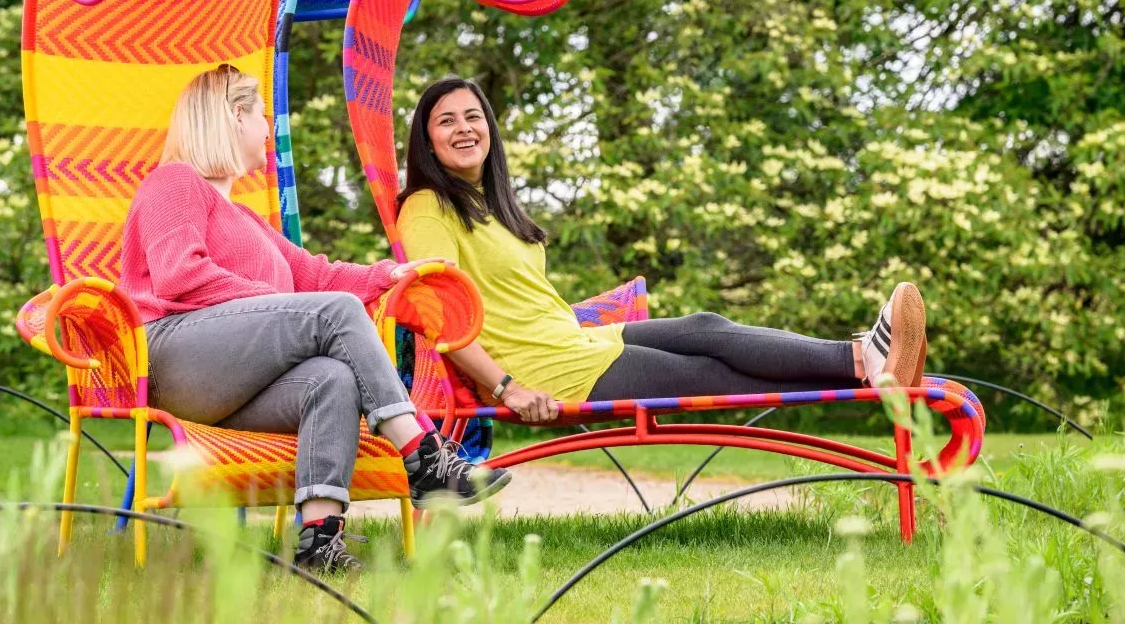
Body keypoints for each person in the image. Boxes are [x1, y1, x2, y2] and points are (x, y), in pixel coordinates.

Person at [122, 65, 509, 572]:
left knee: (332, 379)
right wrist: (279, 306)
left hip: (232, 379)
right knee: (332, 316)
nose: (268, 129)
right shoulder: (175, 182)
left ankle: (319, 541)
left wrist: (390, 274)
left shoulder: (243, 217)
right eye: (262, 117)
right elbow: (179, 276)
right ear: (236, 116)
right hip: (174, 359)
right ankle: (423, 454)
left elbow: (313, 276)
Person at [395, 77, 928, 424]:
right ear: (427, 139)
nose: (464, 129)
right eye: (447, 121)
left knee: (705, 327)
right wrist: (507, 387)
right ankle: (870, 370)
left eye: (473, 116)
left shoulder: (490, 203)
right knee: (703, 375)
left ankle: (861, 358)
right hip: (546, 371)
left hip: (570, 341)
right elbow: (438, 315)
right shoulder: (426, 207)